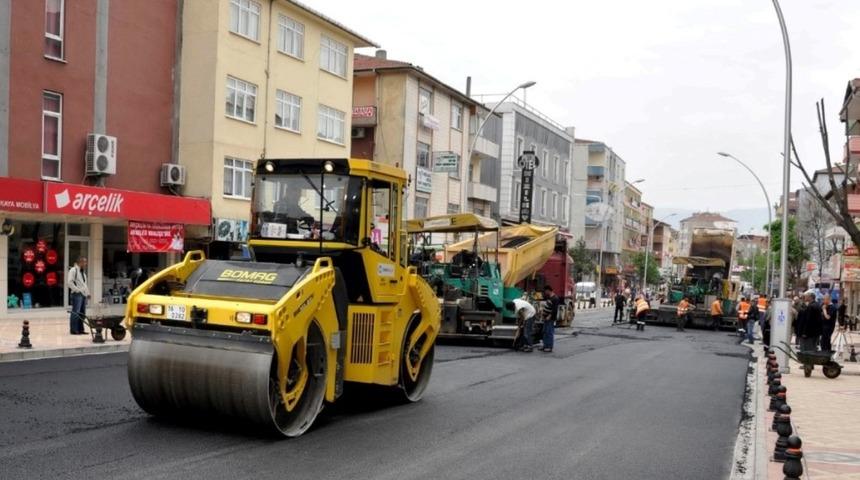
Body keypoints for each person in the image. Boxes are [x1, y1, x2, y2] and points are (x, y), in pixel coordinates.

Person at [68, 256, 90, 335]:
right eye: (85, 262)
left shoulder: (82, 272)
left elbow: (84, 285)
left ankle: (80, 329)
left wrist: (87, 293)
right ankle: (74, 330)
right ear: (80, 262)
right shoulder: (73, 270)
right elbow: (69, 282)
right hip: (76, 294)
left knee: (82, 313)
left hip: (83, 295)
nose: (86, 264)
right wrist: (78, 290)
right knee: (76, 312)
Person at [541, 285, 560, 352]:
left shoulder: (555, 298)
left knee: (549, 332)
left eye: (545, 291)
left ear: (548, 290)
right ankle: (545, 345)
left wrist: (549, 316)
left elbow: (554, 310)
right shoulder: (549, 297)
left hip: (550, 318)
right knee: (545, 332)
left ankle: (549, 347)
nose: (545, 292)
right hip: (545, 318)